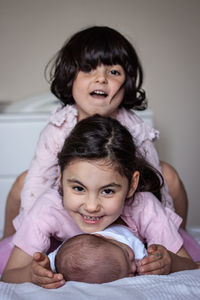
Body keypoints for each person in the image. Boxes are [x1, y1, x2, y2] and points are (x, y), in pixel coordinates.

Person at [1, 26, 188, 242]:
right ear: (70, 77)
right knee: (23, 182)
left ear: (126, 84)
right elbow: (39, 178)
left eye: (114, 72)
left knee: (169, 175)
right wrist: (30, 233)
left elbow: (153, 176)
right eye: (88, 69)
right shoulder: (60, 126)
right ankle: (9, 242)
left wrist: (160, 234)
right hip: (71, 203)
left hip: (118, 206)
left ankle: (177, 238)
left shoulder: (134, 127)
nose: (101, 79)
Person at [1, 115, 198, 288]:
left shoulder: (143, 206)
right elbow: (9, 274)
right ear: (60, 177)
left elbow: (190, 265)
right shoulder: (48, 209)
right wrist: (31, 274)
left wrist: (171, 262)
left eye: (108, 191)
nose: (92, 206)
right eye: (78, 188)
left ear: (131, 185)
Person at [48, 224, 147, 283]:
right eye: (129, 274)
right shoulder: (65, 254)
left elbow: (146, 260)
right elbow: (48, 266)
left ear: (102, 237)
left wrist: (146, 264)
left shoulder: (127, 238)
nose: (134, 268)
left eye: (127, 254)